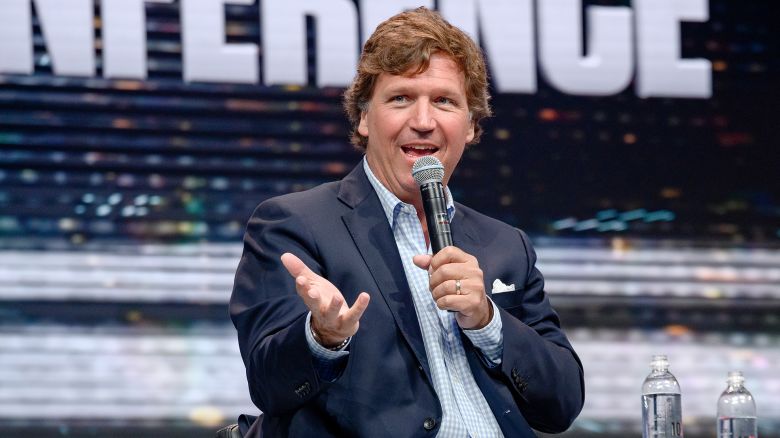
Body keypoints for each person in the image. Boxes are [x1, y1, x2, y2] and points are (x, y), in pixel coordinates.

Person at [230, 7, 584, 437]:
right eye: (400, 98)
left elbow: (562, 401)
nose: (422, 121)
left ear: (471, 125)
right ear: (364, 117)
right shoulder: (294, 225)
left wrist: (488, 321)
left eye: (444, 101)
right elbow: (269, 387)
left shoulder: (506, 245)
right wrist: (322, 338)